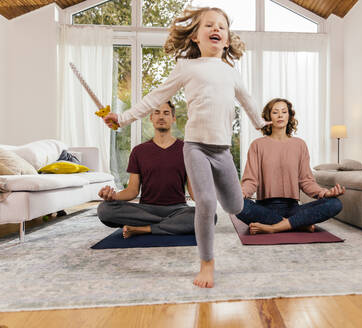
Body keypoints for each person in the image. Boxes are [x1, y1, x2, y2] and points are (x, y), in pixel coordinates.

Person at [102, 7, 270, 288]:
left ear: (227, 40)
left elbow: (248, 100)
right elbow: (156, 96)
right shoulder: (187, 67)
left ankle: (215, 189)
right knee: (205, 202)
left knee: (235, 205)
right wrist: (123, 117)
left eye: (221, 27)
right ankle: (207, 263)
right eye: (209, 25)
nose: (216, 29)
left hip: (223, 151)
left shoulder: (232, 73)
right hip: (196, 148)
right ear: (195, 36)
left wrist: (260, 122)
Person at [97, 101, 209, 239]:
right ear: (151, 117)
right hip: (146, 210)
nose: (161, 116)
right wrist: (113, 197)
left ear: (173, 118)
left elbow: (193, 191)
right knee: (104, 209)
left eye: (166, 113)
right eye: (157, 112)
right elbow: (132, 191)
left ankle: (144, 229)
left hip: (177, 209)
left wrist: (207, 201)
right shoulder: (138, 151)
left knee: (209, 216)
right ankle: (168, 226)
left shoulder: (187, 150)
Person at [236, 98, 345, 234]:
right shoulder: (257, 145)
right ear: (269, 117)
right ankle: (298, 224)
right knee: (237, 206)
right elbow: (250, 180)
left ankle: (274, 227)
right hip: (264, 208)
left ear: (289, 116)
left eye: (284, 112)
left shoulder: (300, 145)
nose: (280, 115)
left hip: (293, 208)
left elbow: (306, 181)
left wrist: (325, 193)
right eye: (275, 112)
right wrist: (241, 193)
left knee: (335, 203)